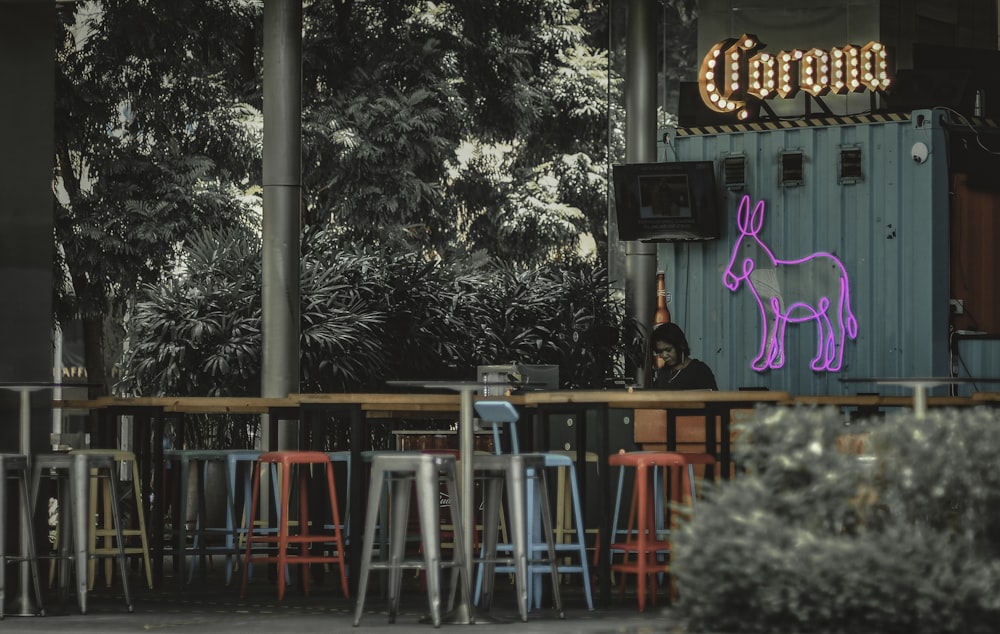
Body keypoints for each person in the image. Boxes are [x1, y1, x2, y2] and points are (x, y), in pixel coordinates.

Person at [651, 322, 718, 390]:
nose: (664, 355)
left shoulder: (699, 371)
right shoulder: (663, 373)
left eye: (668, 350)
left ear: (681, 345)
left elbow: (713, 399)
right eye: (660, 351)